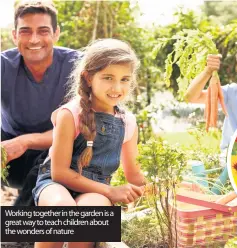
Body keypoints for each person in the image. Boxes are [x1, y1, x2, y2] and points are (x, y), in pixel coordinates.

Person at [32, 38, 145, 248]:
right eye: (108, 78)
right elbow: (60, 173)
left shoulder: (127, 122)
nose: (117, 87)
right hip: (55, 184)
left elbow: (134, 175)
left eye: (125, 79)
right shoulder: (70, 114)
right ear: (88, 77)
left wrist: (169, 185)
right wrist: (112, 191)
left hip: (96, 191)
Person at [1, 1, 80, 205]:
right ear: (15, 36)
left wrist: (25, 141)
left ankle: (20, 226)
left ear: (56, 33)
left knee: (71, 145)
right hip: (9, 156)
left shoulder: (78, 66)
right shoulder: (3, 66)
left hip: (58, 157)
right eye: (25, 31)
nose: (34, 39)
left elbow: (81, 127)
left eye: (43, 31)